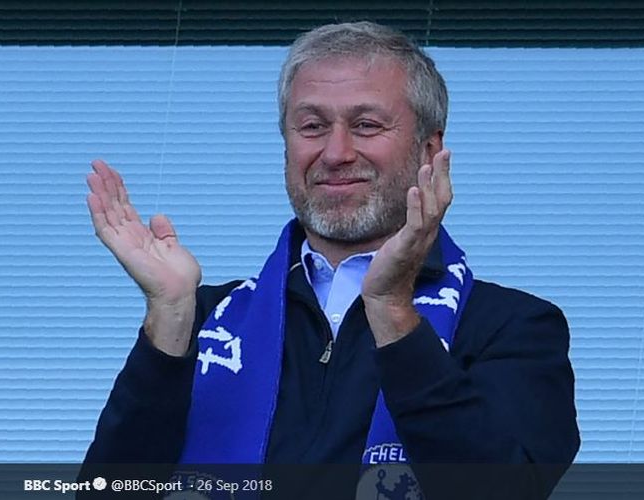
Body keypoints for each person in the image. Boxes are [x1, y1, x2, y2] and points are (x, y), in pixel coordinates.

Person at [81, 21, 580, 498]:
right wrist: (170, 319)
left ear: (429, 150)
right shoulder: (203, 320)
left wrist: (393, 313)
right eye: (313, 126)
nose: (336, 152)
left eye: (366, 125)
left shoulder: (511, 326)